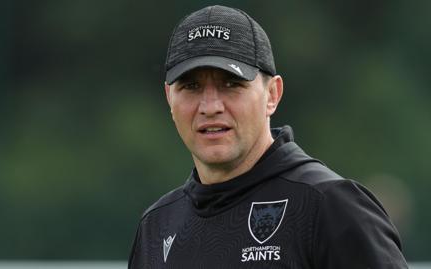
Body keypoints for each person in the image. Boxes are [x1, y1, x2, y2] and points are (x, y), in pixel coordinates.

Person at [128, 5, 408, 269]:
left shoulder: (330, 207)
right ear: (169, 98)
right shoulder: (157, 225)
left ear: (272, 95)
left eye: (231, 84)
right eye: (191, 86)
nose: (210, 106)